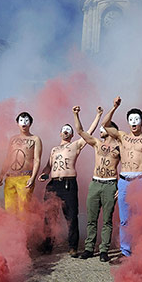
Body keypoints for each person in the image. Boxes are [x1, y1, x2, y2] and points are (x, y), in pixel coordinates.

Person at [37, 107, 103, 256]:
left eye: (69, 130)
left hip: (68, 184)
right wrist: (44, 174)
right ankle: (48, 245)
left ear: (72, 134)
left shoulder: (76, 145)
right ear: (60, 133)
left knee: (71, 216)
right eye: (64, 130)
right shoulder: (54, 150)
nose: (66, 132)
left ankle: (72, 246)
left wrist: (97, 115)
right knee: (49, 216)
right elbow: (48, 166)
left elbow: (89, 132)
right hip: (53, 184)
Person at [101, 97, 142, 257]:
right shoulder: (122, 136)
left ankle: (141, 250)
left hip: (141, 180)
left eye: (137, 119)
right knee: (124, 219)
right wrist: (114, 107)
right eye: (131, 120)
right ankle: (125, 252)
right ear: (127, 122)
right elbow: (105, 125)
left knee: (141, 218)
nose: (134, 122)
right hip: (124, 180)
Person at [73, 107, 121, 262]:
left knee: (107, 220)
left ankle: (104, 250)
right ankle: (89, 248)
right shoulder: (97, 144)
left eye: (103, 128)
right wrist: (76, 114)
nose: (100, 130)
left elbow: (127, 166)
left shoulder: (120, 147)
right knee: (91, 219)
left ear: (110, 130)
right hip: (95, 183)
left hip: (110, 185)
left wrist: (121, 186)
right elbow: (80, 131)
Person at [0, 112, 42, 213]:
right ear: (17, 123)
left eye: (26, 121)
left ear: (30, 123)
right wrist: (1, 175)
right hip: (10, 177)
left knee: (24, 210)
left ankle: (24, 229)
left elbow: (37, 160)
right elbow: (8, 158)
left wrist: (33, 178)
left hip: (25, 178)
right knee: (10, 210)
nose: (24, 123)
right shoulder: (13, 139)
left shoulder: (35, 139)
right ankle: (13, 229)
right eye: (21, 120)